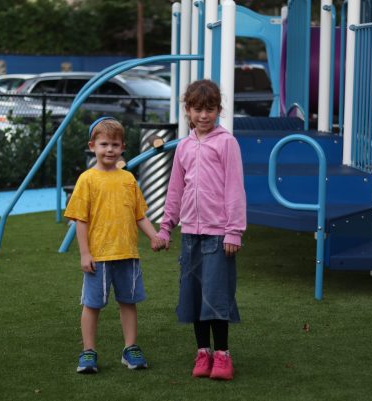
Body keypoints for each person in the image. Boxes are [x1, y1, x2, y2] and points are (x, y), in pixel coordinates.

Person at [156, 79, 247, 380]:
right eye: (197, 109)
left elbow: (235, 189)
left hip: (219, 234)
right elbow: (175, 190)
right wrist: (166, 227)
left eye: (210, 109)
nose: (204, 115)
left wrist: (234, 231)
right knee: (194, 295)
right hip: (190, 235)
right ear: (188, 111)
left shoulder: (226, 143)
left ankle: (222, 355)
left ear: (219, 110)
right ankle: (202, 353)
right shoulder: (183, 146)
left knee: (216, 295)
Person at [64, 116, 163, 374]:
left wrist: (153, 236)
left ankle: (130, 348)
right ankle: (88, 352)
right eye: (104, 144)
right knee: (92, 304)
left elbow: (139, 215)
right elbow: (80, 220)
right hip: (98, 256)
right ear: (92, 145)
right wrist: (85, 253)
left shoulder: (128, 179)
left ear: (122, 148)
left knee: (128, 302)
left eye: (115, 145)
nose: (109, 149)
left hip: (127, 254)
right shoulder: (87, 179)